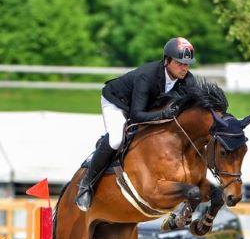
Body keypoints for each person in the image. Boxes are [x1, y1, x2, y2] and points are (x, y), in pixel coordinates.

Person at [75, 37, 198, 211]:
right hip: (117, 103)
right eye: (180, 63)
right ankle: (85, 185)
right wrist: (163, 114)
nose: (185, 68)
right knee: (117, 139)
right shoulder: (146, 76)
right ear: (166, 61)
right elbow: (136, 115)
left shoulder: (187, 80)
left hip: (144, 108)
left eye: (187, 64)